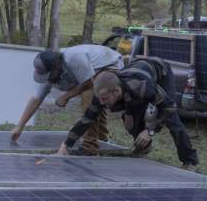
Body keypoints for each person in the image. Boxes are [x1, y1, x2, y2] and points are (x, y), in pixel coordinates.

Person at [57, 57, 199, 170]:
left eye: (105, 99)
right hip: (133, 78)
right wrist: (65, 145)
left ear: (116, 92)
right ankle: (144, 146)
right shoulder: (102, 93)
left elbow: (169, 107)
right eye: (100, 99)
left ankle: (190, 161)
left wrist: (149, 131)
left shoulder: (143, 86)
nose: (101, 103)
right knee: (129, 121)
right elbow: (87, 119)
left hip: (161, 73)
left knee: (172, 120)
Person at [11, 44, 123, 154]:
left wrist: (66, 97)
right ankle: (102, 140)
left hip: (111, 64)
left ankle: (90, 147)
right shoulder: (48, 67)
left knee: (87, 94)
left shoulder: (74, 58)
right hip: (92, 73)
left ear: (55, 69)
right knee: (95, 100)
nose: (48, 80)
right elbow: (36, 99)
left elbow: (88, 83)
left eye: (49, 76)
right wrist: (20, 126)